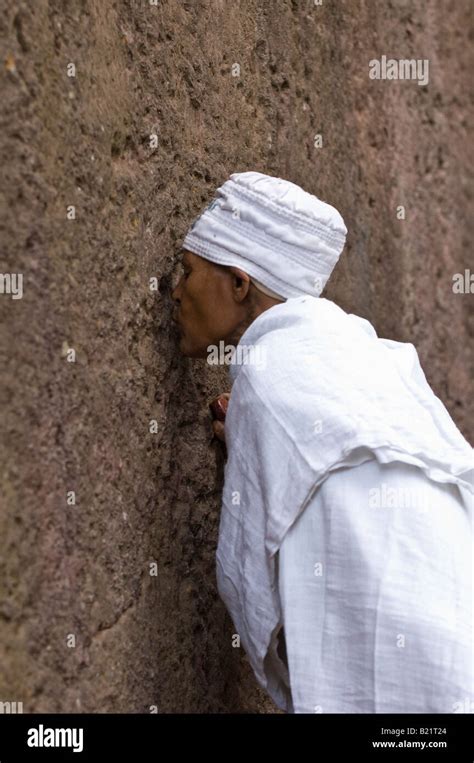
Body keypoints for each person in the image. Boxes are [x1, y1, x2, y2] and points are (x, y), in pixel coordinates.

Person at [171, 170, 473, 713]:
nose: (175, 289)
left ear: (239, 283)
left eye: (188, 270)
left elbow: (245, 580)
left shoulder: (266, 376)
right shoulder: (369, 357)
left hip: (397, 638)